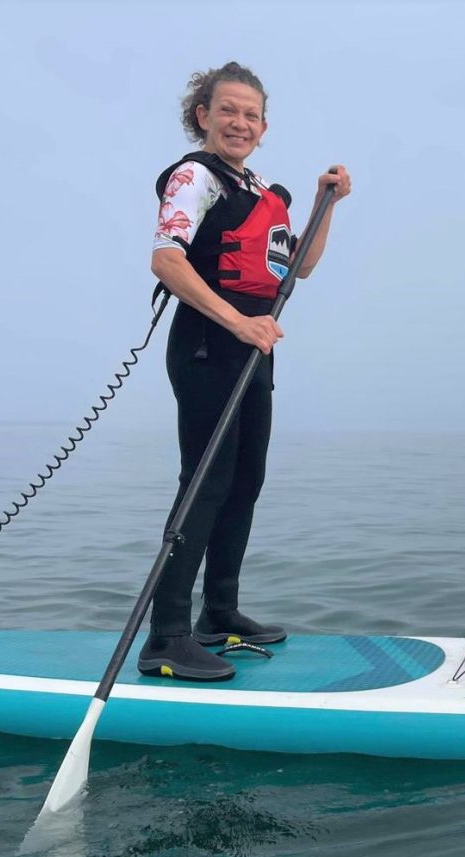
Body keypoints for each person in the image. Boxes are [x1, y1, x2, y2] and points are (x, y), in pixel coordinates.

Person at [138, 61, 351, 680]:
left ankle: (219, 614)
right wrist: (236, 323)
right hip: (210, 343)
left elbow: (300, 266)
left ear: (263, 127)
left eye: (251, 114)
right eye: (227, 110)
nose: (240, 122)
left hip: (253, 349)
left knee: (243, 479)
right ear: (202, 116)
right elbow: (166, 261)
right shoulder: (194, 178)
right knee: (204, 481)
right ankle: (167, 636)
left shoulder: (258, 188)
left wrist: (323, 203)